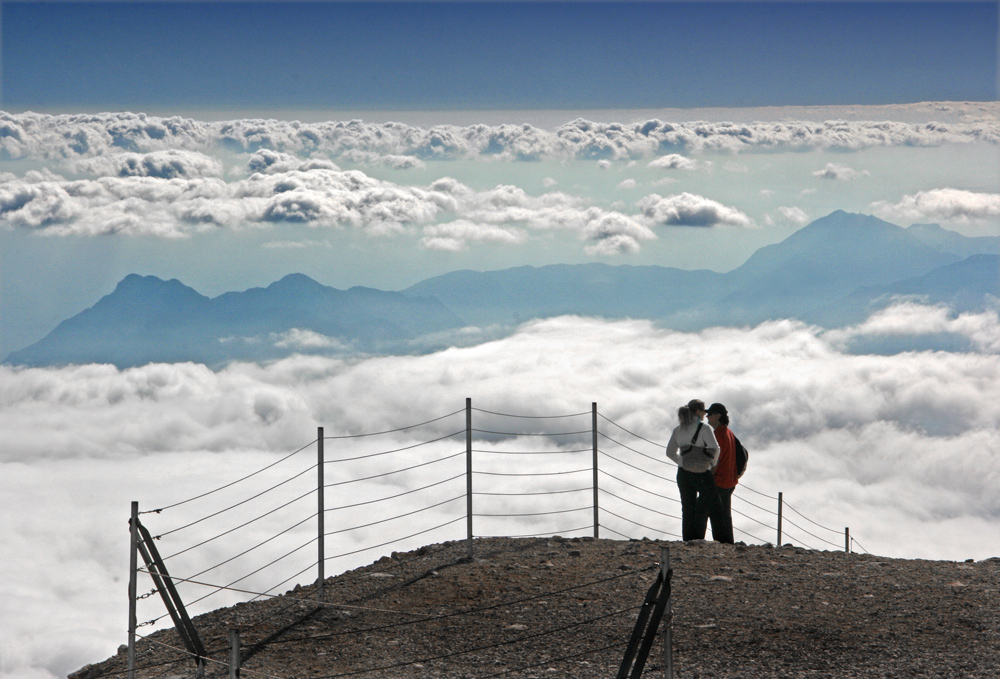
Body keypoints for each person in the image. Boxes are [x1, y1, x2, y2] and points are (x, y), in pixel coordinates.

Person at [665, 399, 731, 543]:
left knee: (688, 508)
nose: (704, 414)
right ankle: (722, 541)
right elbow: (715, 449)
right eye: (703, 411)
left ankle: (689, 541)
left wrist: (683, 463)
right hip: (702, 473)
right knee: (715, 507)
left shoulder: (678, 429)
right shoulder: (704, 428)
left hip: (683, 474)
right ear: (697, 412)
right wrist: (710, 464)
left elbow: (670, 452)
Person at [705, 402, 737, 544]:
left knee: (713, 515)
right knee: (725, 515)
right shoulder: (728, 432)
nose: (707, 416)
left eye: (710, 414)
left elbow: (715, 460)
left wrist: (707, 477)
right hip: (729, 481)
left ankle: (722, 544)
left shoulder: (718, 434)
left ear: (718, 415)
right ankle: (728, 544)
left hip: (719, 481)